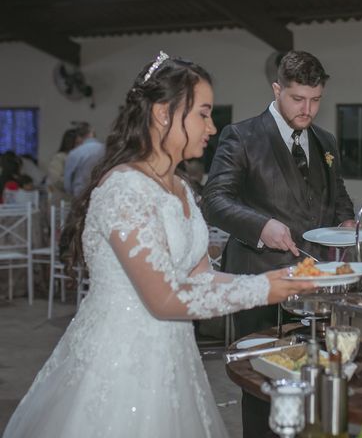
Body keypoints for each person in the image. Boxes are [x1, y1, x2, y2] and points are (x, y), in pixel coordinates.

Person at [2, 51, 314, 438]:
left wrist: (281, 276)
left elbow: (202, 277)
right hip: (118, 366)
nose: (212, 127)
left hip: (174, 357)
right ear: (163, 114)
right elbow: (163, 298)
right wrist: (268, 288)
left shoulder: (180, 188)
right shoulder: (123, 188)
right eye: (202, 113)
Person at [202, 50, 355, 437]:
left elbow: (339, 197)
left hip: (314, 281)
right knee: (262, 386)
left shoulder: (326, 141)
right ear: (276, 89)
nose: (307, 109)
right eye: (297, 98)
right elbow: (214, 201)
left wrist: (348, 221)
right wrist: (260, 225)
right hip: (258, 281)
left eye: (316, 100)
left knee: (314, 378)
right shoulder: (241, 135)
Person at [63, 121, 105, 197]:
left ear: (78, 137)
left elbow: (67, 183)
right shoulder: (106, 150)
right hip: (102, 194)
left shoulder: (75, 153)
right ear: (92, 133)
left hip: (80, 195)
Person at [47, 128, 78, 205]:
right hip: (62, 199)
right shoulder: (59, 157)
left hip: (76, 198)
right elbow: (56, 179)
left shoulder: (80, 156)